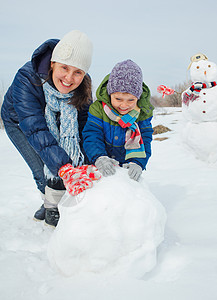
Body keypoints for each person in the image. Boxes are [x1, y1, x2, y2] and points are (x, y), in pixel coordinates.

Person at [1, 30, 93, 227]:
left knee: (64, 163)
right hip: (19, 122)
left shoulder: (83, 87)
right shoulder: (27, 78)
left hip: (54, 121)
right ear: (52, 63)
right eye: (64, 68)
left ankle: (61, 202)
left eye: (78, 72)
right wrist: (64, 167)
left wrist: (87, 162)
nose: (69, 78)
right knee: (43, 168)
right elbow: (35, 128)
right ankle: (50, 204)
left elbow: (85, 127)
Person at [82, 59, 154, 182]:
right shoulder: (98, 109)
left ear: (138, 97)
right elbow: (92, 135)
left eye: (131, 100)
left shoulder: (142, 113)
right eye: (118, 99)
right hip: (99, 166)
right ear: (110, 94)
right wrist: (99, 157)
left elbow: (145, 139)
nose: (124, 105)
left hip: (126, 170)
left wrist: (138, 163)